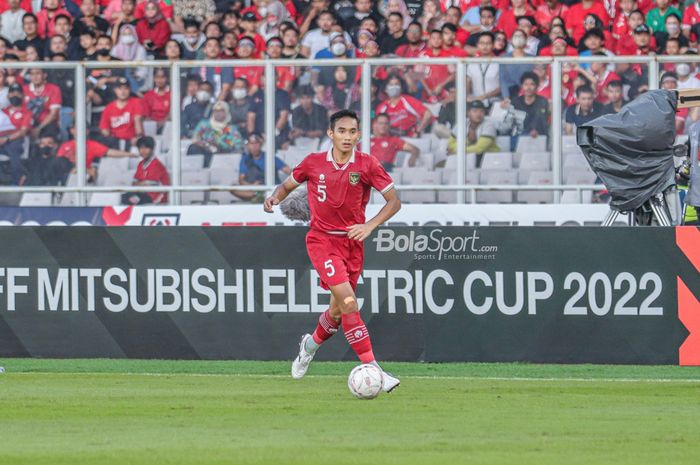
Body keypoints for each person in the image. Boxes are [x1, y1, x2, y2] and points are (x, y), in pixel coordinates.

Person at [263, 109, 402, 392]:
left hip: (353, 243)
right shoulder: (313, 163)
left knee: (338, 312)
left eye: (352, 132)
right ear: (331, 134)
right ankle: (375, 369)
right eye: (342, 131)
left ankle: (309, 345)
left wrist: (370, 225)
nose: (347, 137)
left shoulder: (367, 164)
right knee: (350, 303)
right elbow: (287, 185)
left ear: (359, 135)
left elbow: (394, 202)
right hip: (322, 241)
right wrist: (274, 197)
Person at [234, 133, 290, 202]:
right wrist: (253, 186)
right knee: (233, 188)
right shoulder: (245, 159)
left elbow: (287, 170)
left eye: (256, 143)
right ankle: (259, 196)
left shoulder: (269, 157)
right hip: (254, 191)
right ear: (248, 145)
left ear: (261, 144)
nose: (254, 146)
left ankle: (262, 197)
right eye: (251, 143)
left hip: (271, 190)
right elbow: (241, 180)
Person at [189, 100, 244, 167]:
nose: (218, 113)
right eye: (216, 111)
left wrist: (221, 145)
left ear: (226, 112)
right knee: (193, 148)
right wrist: (203, 144)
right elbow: (196, 137)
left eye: (221, 111)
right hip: (205, 151)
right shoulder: (204, 124)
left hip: (222, 155)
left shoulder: (231, 129)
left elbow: (238, 145)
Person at [447, 100, 500, 165]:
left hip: (489, 159)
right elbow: (450, 144)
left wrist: (457, 151)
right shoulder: (461, 123)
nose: (478, 114)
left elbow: (479, 149)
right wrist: (467, 142)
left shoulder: (489, 125)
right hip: (467, 158)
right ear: (468, 113)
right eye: (475, 111)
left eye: (481, 111)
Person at [98, 77, 145, 149]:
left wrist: (138, 137)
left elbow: (138, 123)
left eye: (125, 88)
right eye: (120, 88)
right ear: (115, 90)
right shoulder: (108, 108)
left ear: (129, 89)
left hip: (131, 140)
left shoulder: (136, 102)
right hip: (115, 142)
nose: (123, 91)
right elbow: (105, 130)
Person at [122, 136, 170, 205]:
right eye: (141, 148)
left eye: (146, 148)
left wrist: (140, 183)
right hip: (142, 194)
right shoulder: (140, 164)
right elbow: (134, 183)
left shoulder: (157, 164)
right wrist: (141, 183)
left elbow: (149, 185)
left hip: (155, 197)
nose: (143, 151)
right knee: (123, 197)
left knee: (129, 199)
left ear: (152, 149)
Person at [0, 83, 30, 184]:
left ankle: (16, 182)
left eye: (18, 93)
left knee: (14, 149)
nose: (15, 95)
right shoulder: (3, 111)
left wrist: (7, 139)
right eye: (12, 93)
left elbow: (23, 131)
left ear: (22, 95)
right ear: (8, 96)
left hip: (15, 140)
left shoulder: (26, 112)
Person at [510, 72, 550, 139]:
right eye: (525, 84)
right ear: (522, 86)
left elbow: (543, 122)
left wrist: (536, 131)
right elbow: (512, 125)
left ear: (537, 86)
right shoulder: (515, 102)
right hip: (518, 137)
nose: (528, 87)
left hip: (538, 137)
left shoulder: (542, 101)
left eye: (532, 84)